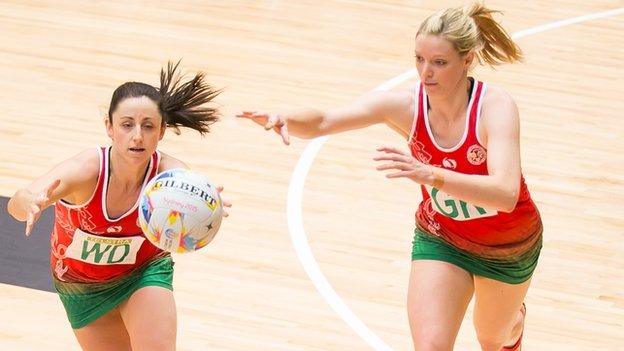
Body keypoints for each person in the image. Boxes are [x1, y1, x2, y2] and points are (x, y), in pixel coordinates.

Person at [238, 3, 542, 351]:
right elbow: (324, 120)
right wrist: (285, 118)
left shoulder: (495, 107)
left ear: (468, 59)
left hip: (506, 245)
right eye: (419, 59)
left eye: (439, 62)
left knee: (493, 338)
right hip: (442, 236)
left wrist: (431, 174)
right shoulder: (405, 107)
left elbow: (504, 193)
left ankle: (513, 320)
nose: (426, 72)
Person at [7, 61, 231, 351]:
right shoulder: (85, 171)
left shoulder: (171, 178)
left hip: (143, 272)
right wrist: (30, 203)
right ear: (109, 128)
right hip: (81, 284)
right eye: (127, 125)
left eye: (148, 126)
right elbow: (17, 203)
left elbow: (188, 226)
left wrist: (203, 209)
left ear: (161, 131)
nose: (137, 135)